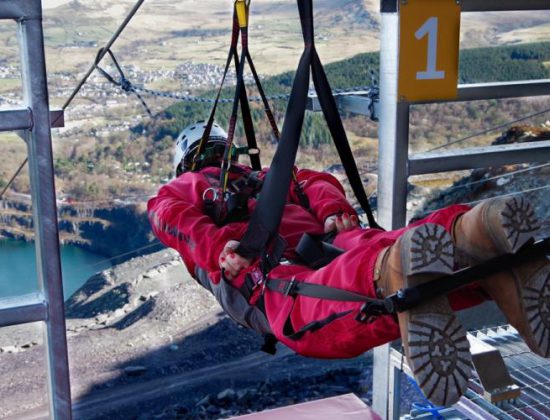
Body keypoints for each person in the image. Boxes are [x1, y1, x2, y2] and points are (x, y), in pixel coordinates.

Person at [148, 121, 550, 407]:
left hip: (264, 265)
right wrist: (333, 211)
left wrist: (219, 245)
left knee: (303, 310)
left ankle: (393, 273)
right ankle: (471, 233)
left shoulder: (183, 187)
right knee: (376, 245)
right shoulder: (267, 177)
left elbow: (166, 215)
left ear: (185, 161)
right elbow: (314, 181)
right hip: (320, 239)